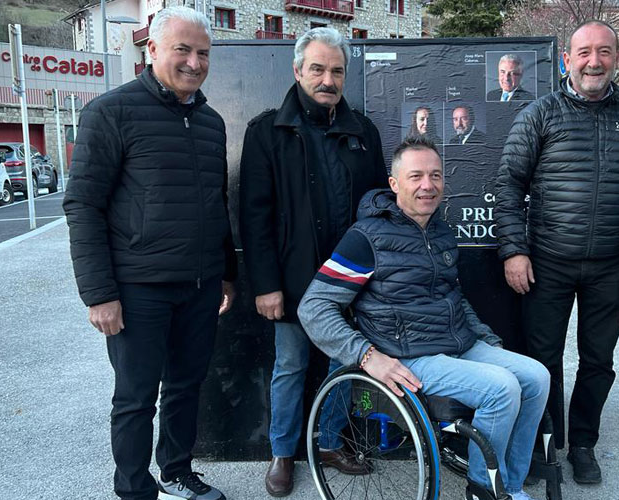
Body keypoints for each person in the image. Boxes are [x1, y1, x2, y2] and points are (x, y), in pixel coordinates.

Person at [298, 136, 550, 500]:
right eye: (416, 176)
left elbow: (454, 297)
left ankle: (508, 485)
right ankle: (484, 490)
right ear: (395, 184)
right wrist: (367, 356)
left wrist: (486, 339)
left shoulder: (441, 232)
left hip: (458, 344)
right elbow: (315, 306)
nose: (427, 185)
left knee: (536, 377)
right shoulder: (365, 238)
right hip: (408, 355)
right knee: (502, 388)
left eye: (435, 176)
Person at [62, 7, 236, 500]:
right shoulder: (110, 113)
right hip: (138, 289)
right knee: (136, 398)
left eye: (203, 53)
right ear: (152, 49)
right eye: (183, 49)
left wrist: (225, 273)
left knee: (185, 387)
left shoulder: (210, 121)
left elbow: (215, 202)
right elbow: (83, 206)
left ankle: (177, 472)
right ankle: (135, 489)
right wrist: (99, 294)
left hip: (199, 286)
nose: (194, 61)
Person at [238, 26, 388, 497]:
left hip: (351, 281)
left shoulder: (363, 130)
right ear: (298, 70)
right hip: (293, 278)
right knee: (291, 365)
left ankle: (327, 444)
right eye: (318, 69)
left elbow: (380, 205)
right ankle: (283, 452)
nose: (328, 79)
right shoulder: (267, 132)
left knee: (343, 365)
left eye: (337, 71)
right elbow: (254, 216)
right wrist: (266, 284)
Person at [493, 19, 619, 484]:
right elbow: (508, 184)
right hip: (548, 260)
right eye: (584, 53)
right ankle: (543, 442)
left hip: (610, 261)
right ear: (567, 60)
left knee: (598, 359)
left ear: (616, 57)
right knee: (543, 358)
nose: (594, 61)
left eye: (604, 52)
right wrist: (514, 251)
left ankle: (582, 443)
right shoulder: (540, 113)